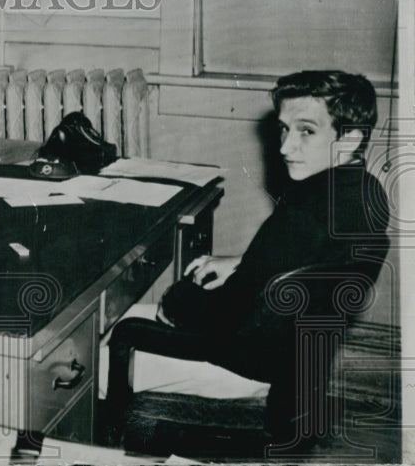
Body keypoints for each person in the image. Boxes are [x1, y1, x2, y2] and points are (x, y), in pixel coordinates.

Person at [102, 70, 390, 449]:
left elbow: (223, 318)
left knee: (96, 350)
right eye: (285, 129)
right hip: (296, 369)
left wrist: (177, 300)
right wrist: (242, 260)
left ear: (349, 137)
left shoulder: (304, 215)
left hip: (246, 369)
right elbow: (299, 263)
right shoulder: (361, 192)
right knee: (127, 318)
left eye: (306, 131)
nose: (286, 147)